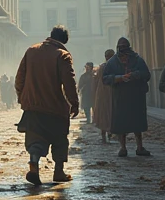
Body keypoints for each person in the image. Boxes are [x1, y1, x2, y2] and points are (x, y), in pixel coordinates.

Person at [15, 26, 79, 186]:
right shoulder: (63, 55)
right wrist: (74, 103)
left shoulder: (31, 50)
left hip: (33, 107)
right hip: (55, 107)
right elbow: (69, 82)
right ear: (64, 40)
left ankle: (34, 166)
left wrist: (22, 97)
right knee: (59, 139)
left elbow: (19, 78)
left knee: (35, 138)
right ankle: (58, 172)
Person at [102, 38, 151, 157]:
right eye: (121, 46)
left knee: (137, 123)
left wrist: (135, 75)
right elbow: (105, 78)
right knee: (121, 124)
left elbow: (146, 74)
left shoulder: (137, 59)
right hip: (120, 97)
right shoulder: (112, 62)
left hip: (135, 96)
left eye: (125, 46)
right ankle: (122, 147)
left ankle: (140, 147)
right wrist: (119, 78)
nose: (123, 48)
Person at [92, 49, 115, 144]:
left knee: (104, 113)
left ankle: (105, 135)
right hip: (109, 92)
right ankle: (108, 133)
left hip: (102, 93)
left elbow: (96, 81)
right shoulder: (112, 66)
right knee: (109, 112)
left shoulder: (102, 67)